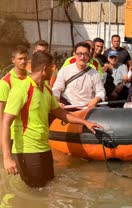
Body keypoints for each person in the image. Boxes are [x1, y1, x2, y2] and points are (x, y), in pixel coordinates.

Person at [1, 51, 102, 187]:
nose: (53, 71)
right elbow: (5, 123)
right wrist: (7, 158)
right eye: (52, 68)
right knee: (35, 191)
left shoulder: (47, 89)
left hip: (44, 147)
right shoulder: (21, 89)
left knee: (48, 186)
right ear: (44, 69)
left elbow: (59, 112)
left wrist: (85, 122)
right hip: (27, 149)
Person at [52, 42, 105, 108]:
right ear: (74, 55)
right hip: (68, 106)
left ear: (89, 55)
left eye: (86, 54)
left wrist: (96, 99)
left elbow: (100, 91)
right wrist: (56, 101)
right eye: (79, 54)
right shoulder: (65, 70)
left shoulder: (95, 73)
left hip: (87, 108)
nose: (82, 57)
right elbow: (57, 88)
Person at [0, 45, 29, 145]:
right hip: (12, 135)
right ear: (13, 60)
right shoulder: (5, 82)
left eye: (25, 58)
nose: (23, 61)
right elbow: (1, 113)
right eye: (20, 59)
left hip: (30, 134)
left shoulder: (31, 78)